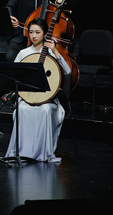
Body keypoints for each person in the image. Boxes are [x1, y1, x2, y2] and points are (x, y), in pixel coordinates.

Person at [5, 17, 69, 163]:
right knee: (21, 109)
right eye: (31, 32)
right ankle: (21, 151)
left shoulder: (51, 52)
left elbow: (67, 71)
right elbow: (14, 75)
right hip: (28, 96)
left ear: (45, 34)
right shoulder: (23, 53)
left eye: (37, 32)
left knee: (45, 110)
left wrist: (55, 51)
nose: (34, 36)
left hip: (48, 99)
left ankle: (43, 152)